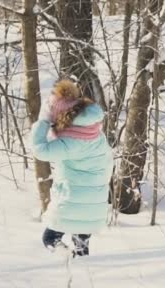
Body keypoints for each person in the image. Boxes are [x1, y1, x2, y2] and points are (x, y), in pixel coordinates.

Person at [31, 79, 114, 257]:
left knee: (50, 239)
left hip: (71, 201)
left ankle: (66, 262)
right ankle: (81, 275)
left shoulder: (70, 142)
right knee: (82, 248)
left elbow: (40, 150)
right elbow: (108, 162)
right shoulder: (94, 133)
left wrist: (43, 121)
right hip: (94, 202)